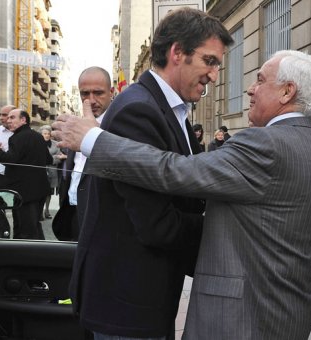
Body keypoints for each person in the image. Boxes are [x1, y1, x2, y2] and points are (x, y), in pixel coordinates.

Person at [53, 49, 311, 340]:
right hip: (282, 310)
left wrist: (93, 140)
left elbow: (174, 171)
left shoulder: (268, 144)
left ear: (287, 92)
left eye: (260, 80)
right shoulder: (310, 143)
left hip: (243, 319)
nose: (250, 89)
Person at [62, 9, 231, 339]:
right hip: (127, 306)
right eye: (209, 61)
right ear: (177, 53)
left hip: (146, 299)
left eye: (217, 64)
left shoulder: (169, 107)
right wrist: (226, 232)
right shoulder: (138, 110)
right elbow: (157, 225)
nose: (214, 74)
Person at [52, 66, 112, 242]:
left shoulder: (118, 125)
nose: (90, 100)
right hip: (73, 211)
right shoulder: (75, 125)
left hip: (101, 217)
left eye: (98, 93)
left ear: (111, 92)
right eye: (85, 94)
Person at [0, 109, 52, 240]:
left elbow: (9, 161)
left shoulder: (17, 137)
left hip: (24, 192)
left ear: (23, 120)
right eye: (8, 118)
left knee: (25, 229)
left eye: (12, 117)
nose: (8, 121)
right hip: (40, 190)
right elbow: (48, 159)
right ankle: (38, 254)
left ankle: (26, 257)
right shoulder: (37, 136)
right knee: (34, 226)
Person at [39, 125, 63, 219]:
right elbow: (38, 158)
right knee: (40, 193)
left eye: (48, 133)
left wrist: (52, 159)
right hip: (41, 171)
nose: (47, 135)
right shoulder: (37, 143)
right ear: (41, 134)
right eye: (45, 133)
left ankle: (47, 211)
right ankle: (40, 212)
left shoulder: (56, 144)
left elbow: (59, 158)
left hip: (52, 172)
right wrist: (54, 158)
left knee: (49, 193)